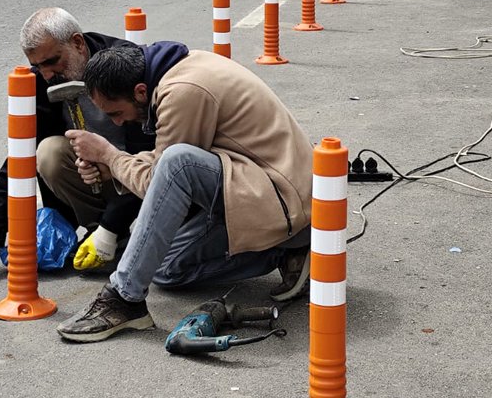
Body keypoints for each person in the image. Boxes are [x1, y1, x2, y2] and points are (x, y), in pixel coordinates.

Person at [56, 43, 313, 342]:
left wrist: (112, 158)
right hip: (257, 183)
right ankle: (285, 249)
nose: (117, 122)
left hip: (282, 195)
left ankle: (123, 299)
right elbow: (164, 160)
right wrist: (113, 166)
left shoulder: (183, 91)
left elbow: (166, 176)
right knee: (165, 270)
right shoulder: (175, 71)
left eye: (116, 113)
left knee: (178, 162)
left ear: (140, 91)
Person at [0, 8, 154, 286]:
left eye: (53, 61)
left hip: (141, 175)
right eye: (40, 66)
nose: (48, 74)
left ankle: (111, 231)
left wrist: (112, 226)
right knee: (48, 152)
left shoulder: (124, 65)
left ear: (77, 42)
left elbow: (151, 157)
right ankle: (107, 236)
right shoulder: (44, 79)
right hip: (96, 175)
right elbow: (20, 156)